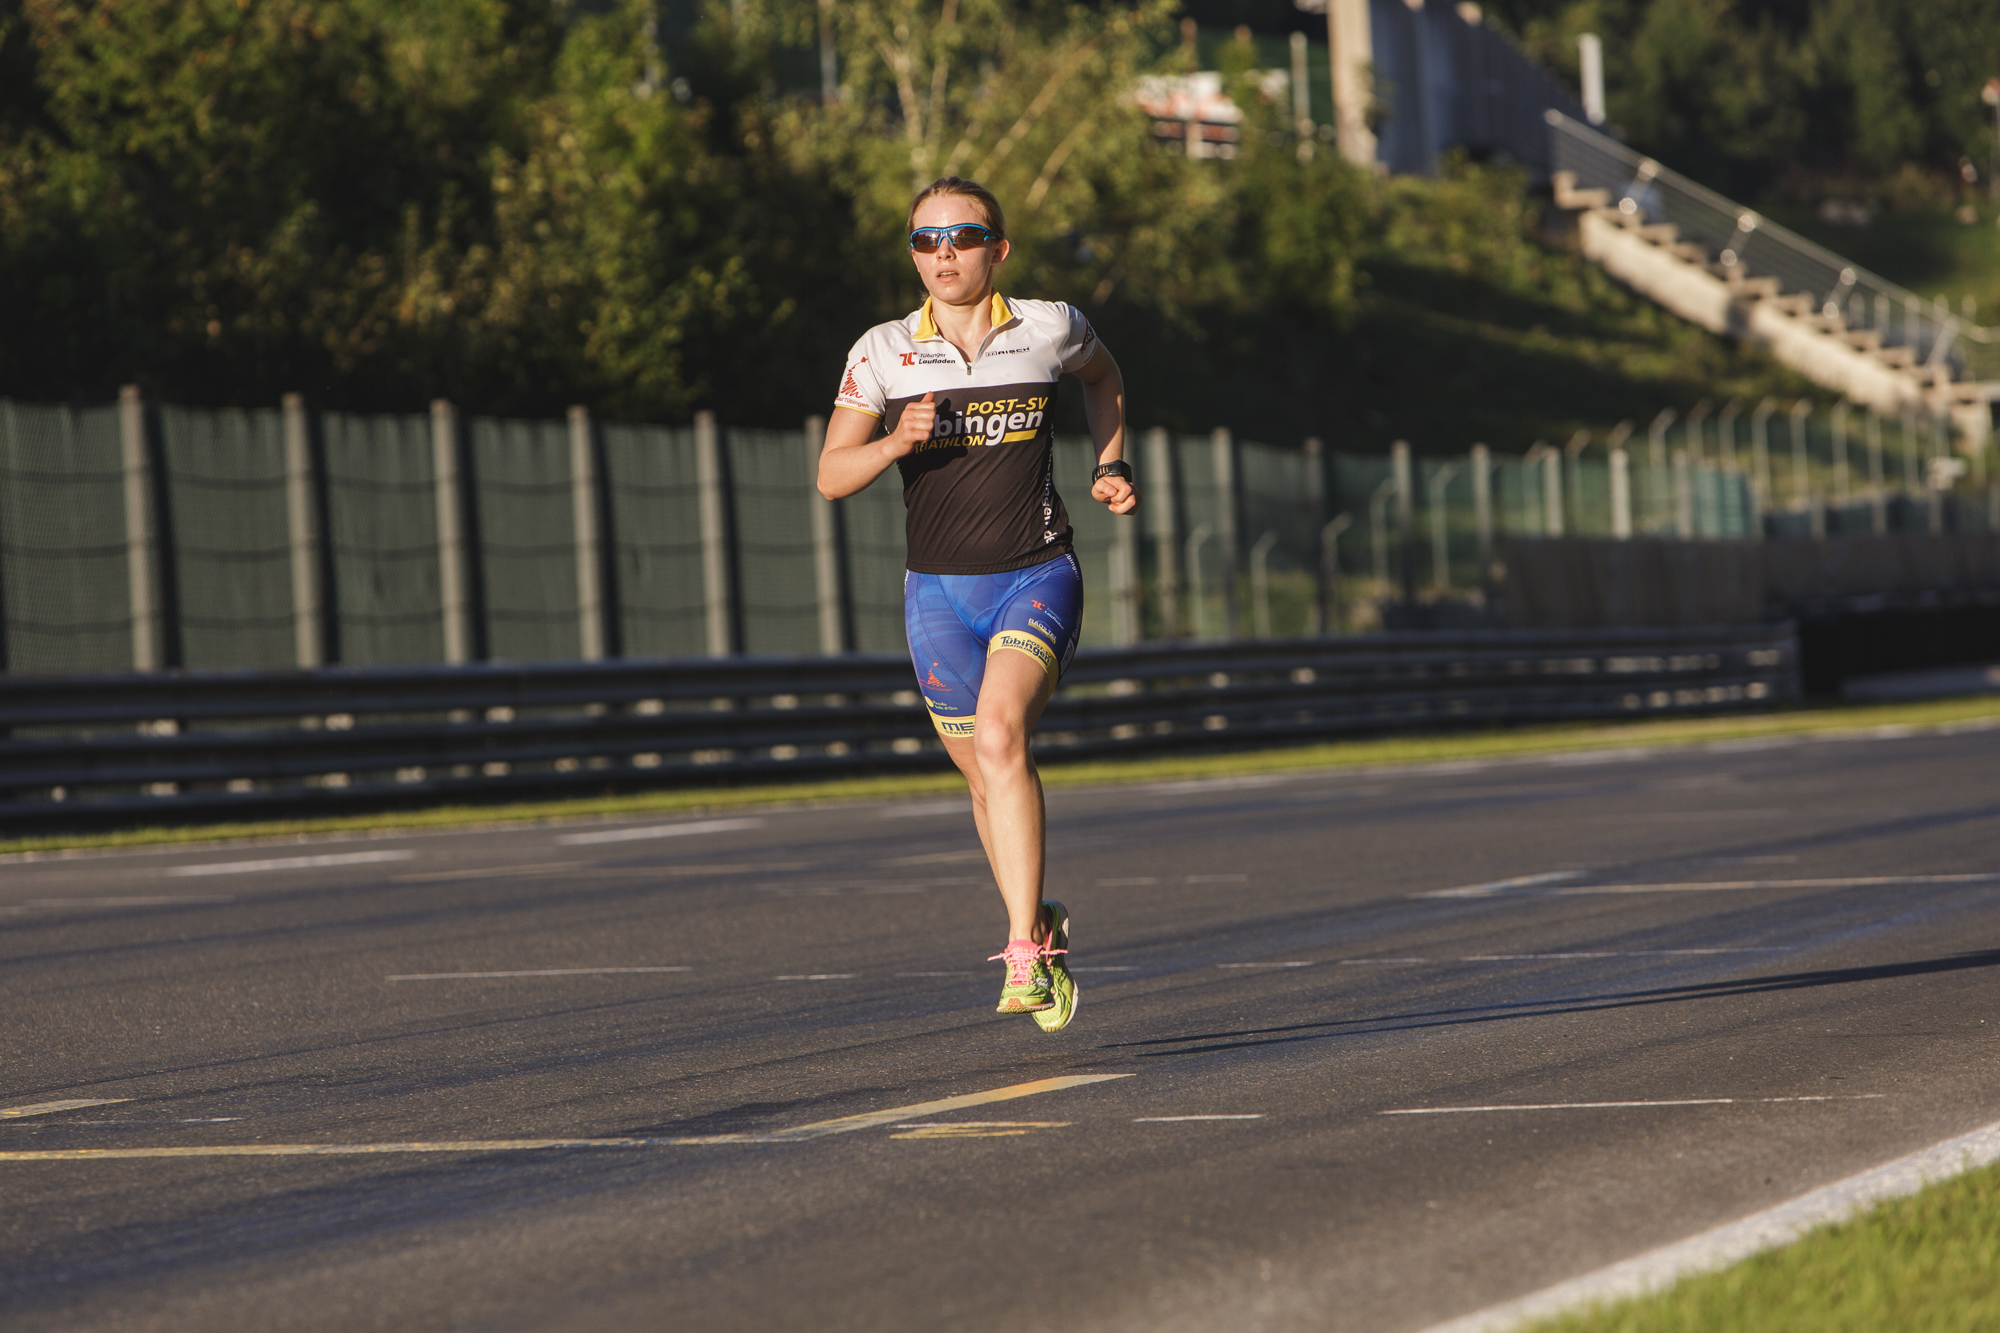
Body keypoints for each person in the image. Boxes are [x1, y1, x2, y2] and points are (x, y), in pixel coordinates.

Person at [817, 176, 1138, 1032]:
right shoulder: (882, 350)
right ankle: (1041, 922)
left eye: (962, 236)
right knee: (982, 777)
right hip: (937, 595)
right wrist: (894, 441)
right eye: (925, 240)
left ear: (998, 248)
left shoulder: (1050, 326)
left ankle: (1022, 952)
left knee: (1002, 737)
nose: (944, 253)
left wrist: (1111, 464)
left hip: (1036, 573)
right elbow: (830, 476)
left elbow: (1105, 378)